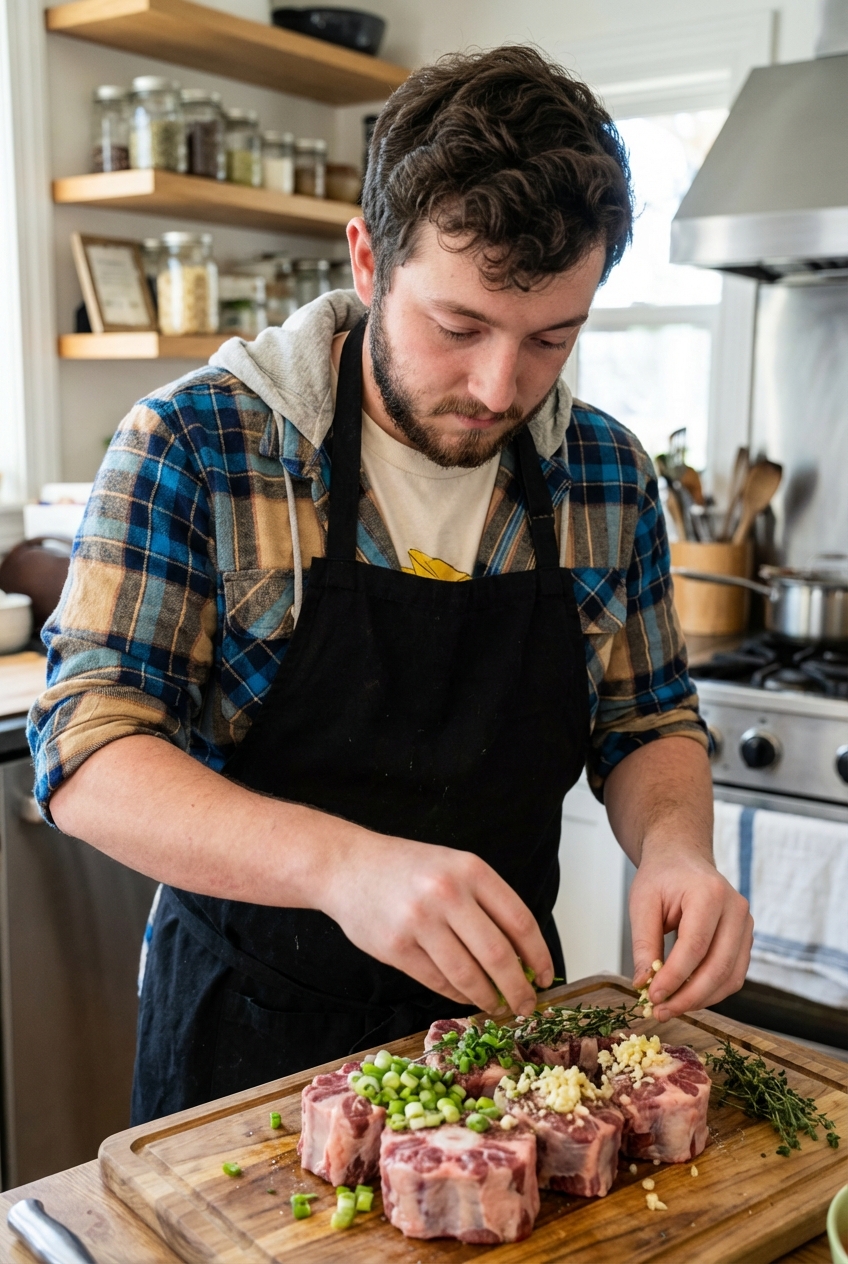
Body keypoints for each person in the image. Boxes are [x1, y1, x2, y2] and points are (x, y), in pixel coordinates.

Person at [29, 46, 752, 1125]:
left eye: (551, 338)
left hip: (508, 1046)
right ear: (367, 262)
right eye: (457, 326)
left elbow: (646, 718)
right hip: (248, 1048)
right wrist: (339, 866)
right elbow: (86, 747)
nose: (498, 386)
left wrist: (679, 851)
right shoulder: (199, 445)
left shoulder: (602, 474)